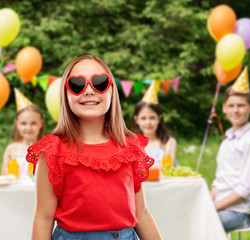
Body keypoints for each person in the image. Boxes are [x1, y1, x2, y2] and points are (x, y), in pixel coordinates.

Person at [26, 55, 162, 239]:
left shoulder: (130, 146)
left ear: (112, 92)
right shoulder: (53, 150)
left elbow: (142, 213)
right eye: (77, 84)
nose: (89, 90)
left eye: (99, 82)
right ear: (65, 94)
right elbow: (43, 219)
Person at [210, 67, 250, 232]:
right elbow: (218, 181)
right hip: (220, 207)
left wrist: (213, 207)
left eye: (241, 106)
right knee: (190, 218)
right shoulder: (227, 142)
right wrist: (207, 203)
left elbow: (245, 188)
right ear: (224, 108)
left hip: (239, 213)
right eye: (231, 105)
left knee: (202, 224)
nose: (235, 110)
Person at [1, 88, 45, 178]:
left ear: (41, 123)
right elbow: (4, 178)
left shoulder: (46, 150)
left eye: (33, 123)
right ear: (17, 124)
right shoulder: (11, 149)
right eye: (23, 123)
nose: (28, 127)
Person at [131, 99, 178, 170]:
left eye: (152, 118)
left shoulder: (168, 142)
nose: (148, 122)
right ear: (136, 119)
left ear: (159, 118)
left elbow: (167, 167)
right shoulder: (132, 144)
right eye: (143, 118)